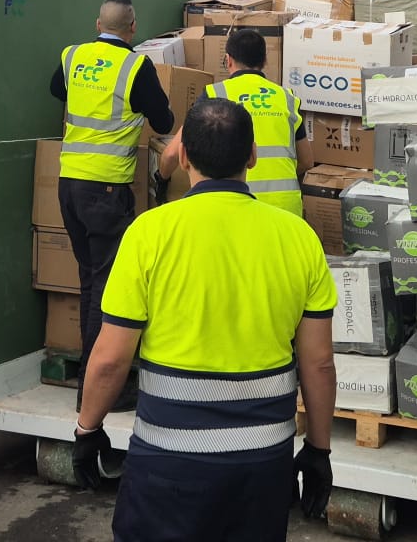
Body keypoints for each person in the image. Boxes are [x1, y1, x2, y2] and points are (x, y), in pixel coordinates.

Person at [73, 97, 337, 542]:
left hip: (167, 464)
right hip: (261, 466)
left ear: (184, 157)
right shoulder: (299, 238)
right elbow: (319, 363)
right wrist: (319, 450)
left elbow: (110, 359)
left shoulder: (148, 233)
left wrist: (88, 428)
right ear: (252, 155)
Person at [50, 0, 175, 408]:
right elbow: (165, 121)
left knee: (90, 280)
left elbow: (56, 90)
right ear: (133, 27)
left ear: (97, 23)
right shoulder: (136, 66)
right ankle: (98, 388)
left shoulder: (72, 56)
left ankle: (90, 381)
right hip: (105, 190)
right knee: (108, 288)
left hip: (69, 184)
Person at [158, 27, 308, 216]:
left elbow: (171, 155)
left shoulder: (215, 94)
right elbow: (306, 160)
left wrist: (161, 182)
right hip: (286, 208)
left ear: (228, 60)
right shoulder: (286, 97)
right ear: (264, 61)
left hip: (236, 205)